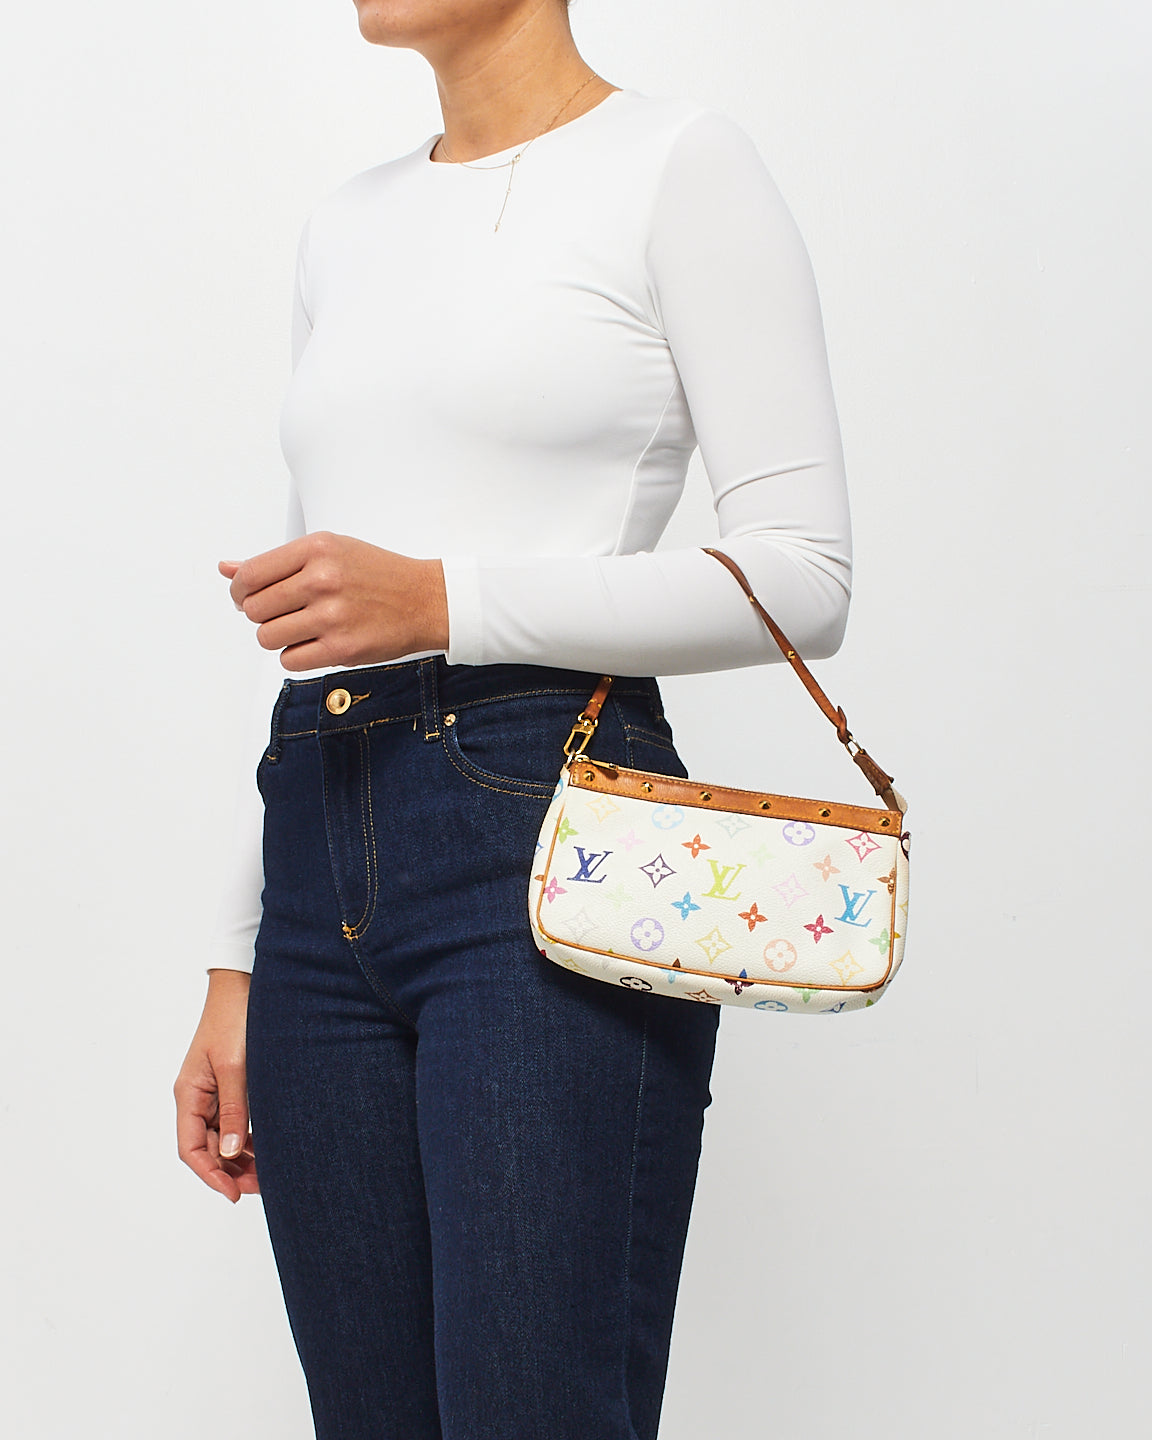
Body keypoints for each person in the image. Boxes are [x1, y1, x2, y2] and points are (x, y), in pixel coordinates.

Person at [173, 2, 851, 1436]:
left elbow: (803, 579)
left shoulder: (679, 165)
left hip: (545, 825)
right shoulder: (344, 224)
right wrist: (236, 961)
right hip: (315, 841)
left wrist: (447, 601)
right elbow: (308, 634)